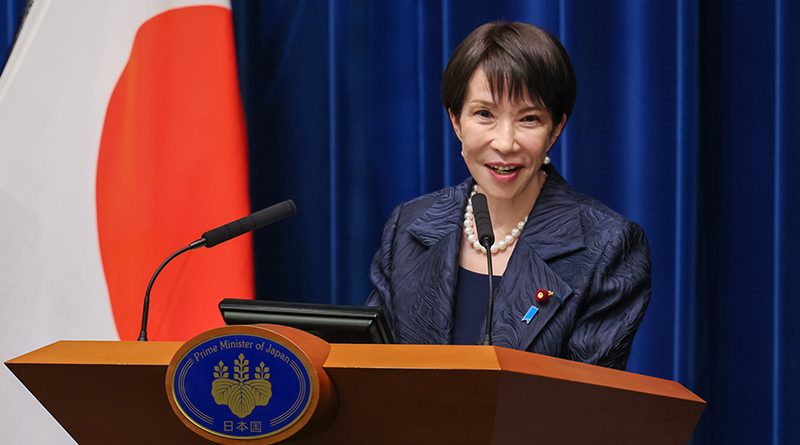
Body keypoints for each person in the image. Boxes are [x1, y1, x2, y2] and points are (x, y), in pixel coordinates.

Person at [366, 21, 651, 370]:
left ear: (555, 129)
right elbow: (371, 368)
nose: (505, 143)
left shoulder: (607, 246)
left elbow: (588, 397)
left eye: (528, 119)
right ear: (456, 121)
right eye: (484, 114)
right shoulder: (408, 228)